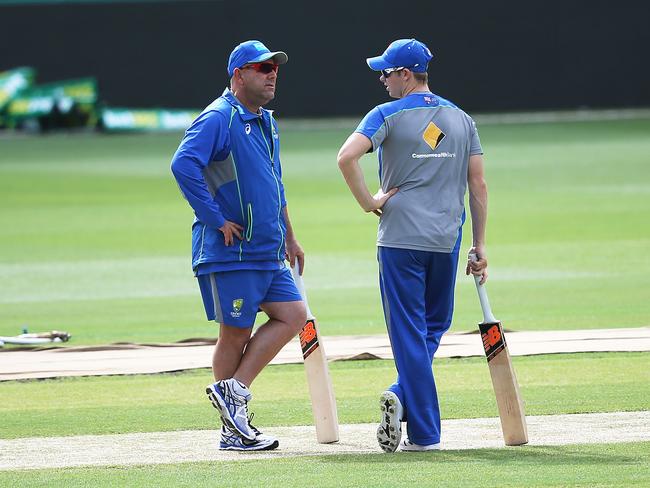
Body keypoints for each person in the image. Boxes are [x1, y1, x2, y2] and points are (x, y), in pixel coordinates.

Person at [337, 38, 489, 452]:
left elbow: (346, 157)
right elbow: (477, 184)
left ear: (406, 74)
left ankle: (424, 434)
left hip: (400, 239)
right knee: (433, 328)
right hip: (446, 239)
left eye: (386, 72)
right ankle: (402, 396)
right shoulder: (461, 118)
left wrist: (369, 203)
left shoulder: (385, 114)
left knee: (409, 333)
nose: (382, 80)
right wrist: (479, 244)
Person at [170, 40, 307, 452]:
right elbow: (183, 164)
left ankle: (235, 394)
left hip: (267, 247)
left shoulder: (266, 121)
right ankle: (233, 429)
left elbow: (275, 181)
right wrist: (214, 218)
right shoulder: (218, 117)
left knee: (293, 314)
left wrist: (290, 234)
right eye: (261, 67)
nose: (271, 74)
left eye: (274, 68)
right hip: (230, 250)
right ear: (238, 75)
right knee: (236, 333)